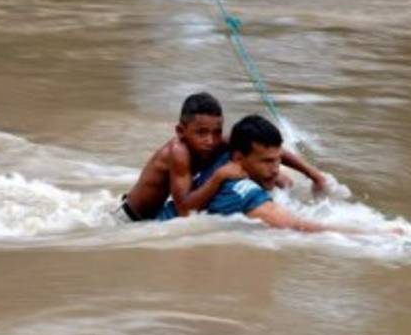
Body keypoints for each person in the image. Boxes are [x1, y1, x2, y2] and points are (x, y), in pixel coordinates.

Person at [118, 92, 326, 222]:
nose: (210, 140)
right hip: (132, 219)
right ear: (181, 131)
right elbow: (185, 212)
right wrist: (219, 177)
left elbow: (263, 148)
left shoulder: (215, 141)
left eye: (217, 132)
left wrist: (313, 174)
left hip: (158, 213)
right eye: (201, 132)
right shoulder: (178, 152)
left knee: (278, 176)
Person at [189, 114, 384, 234]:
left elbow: (277, 153)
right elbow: (298, 227)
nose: (275, 168)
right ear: (239, 158)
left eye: (276, 160)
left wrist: (313, 174)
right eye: (267, 162)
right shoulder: (242, 192)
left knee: (285, 181)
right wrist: (377, 233)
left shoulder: (225, 151)